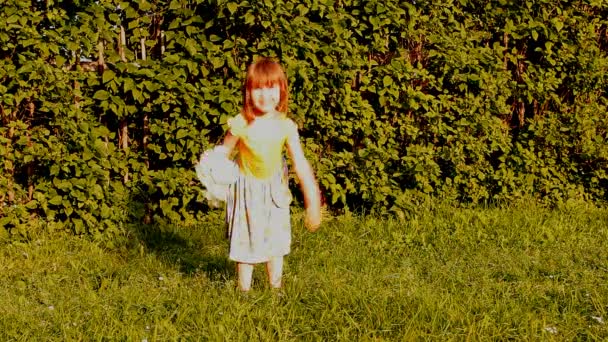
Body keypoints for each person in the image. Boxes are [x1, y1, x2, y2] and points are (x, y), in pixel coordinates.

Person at [197, 57, 322, 292]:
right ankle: (243, 292)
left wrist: (312, 201)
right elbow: (223, 151)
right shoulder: (242, 122)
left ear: (282, 90)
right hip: (247, 190)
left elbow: (301, 164)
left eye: (271, 87)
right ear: (248, 92)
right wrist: (214, 174)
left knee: (276, 239)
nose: (265, 95)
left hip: (274, 190)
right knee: (246, 237)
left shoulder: (286, 126)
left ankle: (276, 290)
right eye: (258, 89)